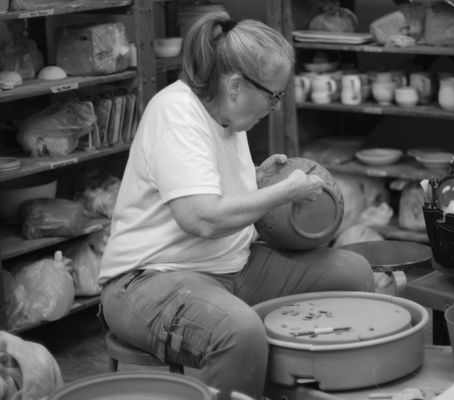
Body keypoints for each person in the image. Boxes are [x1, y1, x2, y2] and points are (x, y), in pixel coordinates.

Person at [98, 12, 374, 400]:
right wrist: (284, 193)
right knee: (239, 332)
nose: (274, 106)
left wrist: (258, 180)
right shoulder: (176, 114)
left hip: (231, 265)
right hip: (149, 279)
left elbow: (207, 185)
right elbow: (200, 218)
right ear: (234, 85)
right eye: (273, 96)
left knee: (354, 274)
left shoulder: (228, 116)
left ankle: (306, 390)